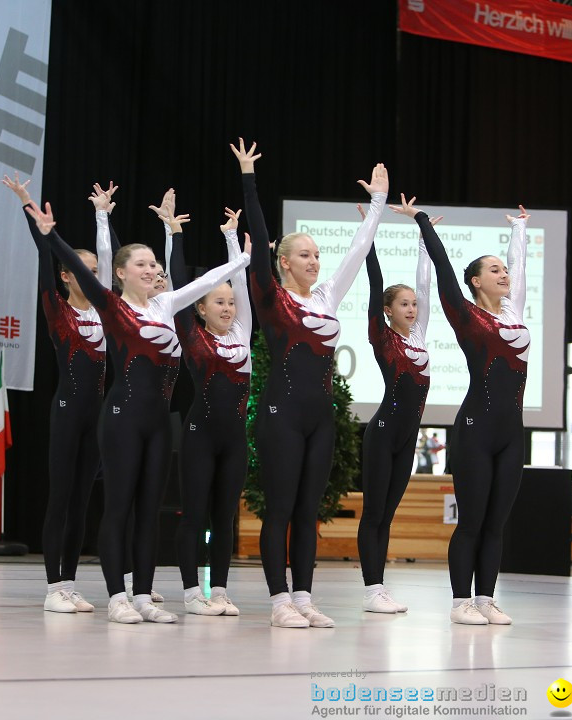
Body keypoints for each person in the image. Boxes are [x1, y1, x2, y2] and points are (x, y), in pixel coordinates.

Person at [24, 196, 250, 624]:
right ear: (121, 273)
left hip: (159, 425)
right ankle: (117, 598)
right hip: (123, 418)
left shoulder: (167, 305)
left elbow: (204, 283)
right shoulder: (111, 305)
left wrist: (240, 257)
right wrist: (50, 236)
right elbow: (87, 267)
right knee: (120, 507)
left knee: (149, 511)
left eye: (154, 265)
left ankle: (143, 595)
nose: (151, 270)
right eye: (141, 265)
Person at [234, 138, 388, 628]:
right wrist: (249, 180)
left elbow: (357, 250)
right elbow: (259, 237)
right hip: (280, 412)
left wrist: (379, 205)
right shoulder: (271, 297)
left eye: (317, 254)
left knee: (309, 510)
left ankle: (303, 595)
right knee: (279, 507)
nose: (315, 261)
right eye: (304, 254)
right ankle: (279, 601)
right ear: (283, 261)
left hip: (322, 417)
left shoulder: (326, 296)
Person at [402, 196, 529, 625]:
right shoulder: (465, 314)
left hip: (512, 430)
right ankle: (460, 601)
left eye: (504, 269)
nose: (505, 274)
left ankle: (487, 598)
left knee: (498, 522)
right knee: (472, 520)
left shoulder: (514, 312)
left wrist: (519, 230)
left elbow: (520, 264)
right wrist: (422, 221)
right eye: (494, 270)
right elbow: (441, 267)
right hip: (475, 428)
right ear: (475, 281)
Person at [2, 174, 108, 613]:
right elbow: (43, 255)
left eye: (97, 273)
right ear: (67, 275)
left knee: (83, 502)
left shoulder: (107, 310)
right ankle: (53, 587)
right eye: (84, 270)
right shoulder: (56, 305)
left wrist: (103, 216)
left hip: (97, 415)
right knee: (61, 498)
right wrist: (31, 210)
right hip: (67, 411)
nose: (93, 276)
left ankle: (70, 580)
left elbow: (113, 258)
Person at [159, 197, 253, 617]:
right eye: (218, 302)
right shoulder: (191, 334)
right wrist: (173, 234)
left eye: (230, 303)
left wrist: (234, 242)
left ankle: (220, 590)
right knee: (195, 516)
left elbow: (244, 283)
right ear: (200, 307)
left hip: (234, 439)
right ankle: (191, 592)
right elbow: (176, 285)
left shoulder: (243, 331)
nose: (228, 308)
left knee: (225, 516)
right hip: (200, 435)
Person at [357, 205, 434, 614]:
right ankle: (371, 591)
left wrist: (424, 243)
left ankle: (380, 588)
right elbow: (375, 284)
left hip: (407, 438)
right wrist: (370, 234)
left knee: (387, 516)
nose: (411, 308)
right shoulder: (381, 336)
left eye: (413, 304)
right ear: (389, 309)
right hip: (383, 433)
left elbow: (425, 286)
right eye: (402, 304)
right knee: (373, 513)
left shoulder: (419, 335)